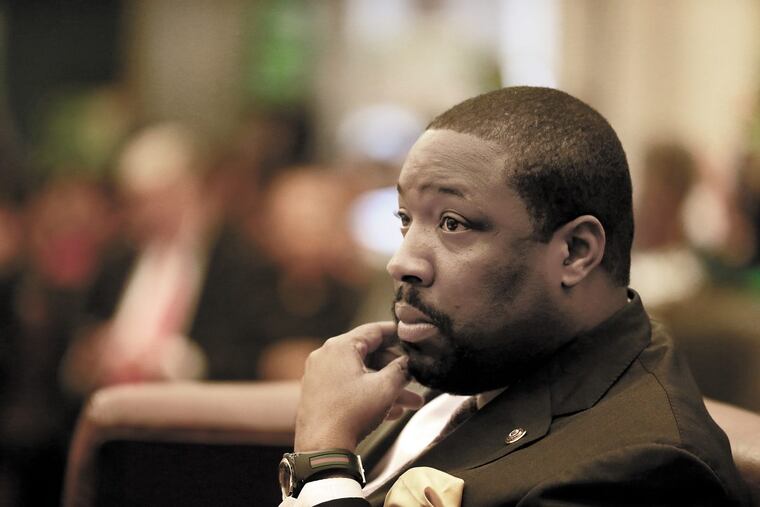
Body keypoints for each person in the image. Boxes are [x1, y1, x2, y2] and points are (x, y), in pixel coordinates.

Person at [278, 87, 750, 506]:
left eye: (452, 223)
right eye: (406, 219)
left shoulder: (644, 470)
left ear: (575, 252)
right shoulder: (486, 355)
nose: (401, 261)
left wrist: (323, 465)